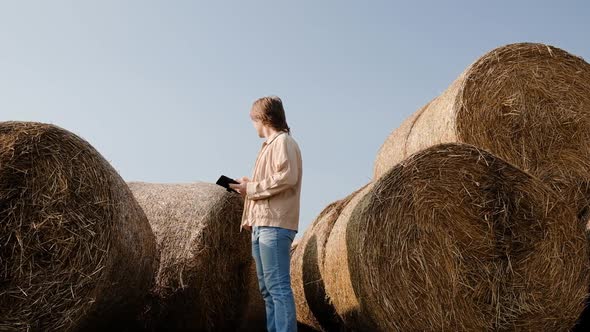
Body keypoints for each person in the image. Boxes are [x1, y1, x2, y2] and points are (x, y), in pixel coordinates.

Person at [230, 96, 302, 332]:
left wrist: (251, 188)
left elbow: (287, 178)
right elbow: (272, 181)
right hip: (261, 224)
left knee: (278, 287)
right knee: (267, 290)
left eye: (254, 120)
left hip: (275, 224)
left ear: (263, 118)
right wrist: (248, 184)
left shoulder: (283, 142)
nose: (253, 125)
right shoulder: (268, 148)